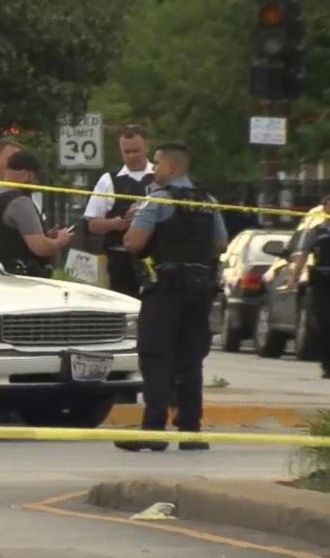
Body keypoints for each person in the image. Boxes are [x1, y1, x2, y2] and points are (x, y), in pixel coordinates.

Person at [115, 142, 227, 452]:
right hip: (199, 289)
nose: (154, 168)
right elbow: (220, 243)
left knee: (156, 357)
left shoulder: (157, 201)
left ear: (173, 168)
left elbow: (134, 242)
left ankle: (153, 430)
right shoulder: (209, 201)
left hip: (165, 289)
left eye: (158, 163)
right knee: (191, 361)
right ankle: (191, 430)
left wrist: (134, 225)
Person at [289, 195, 330, 381]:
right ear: (325, 208)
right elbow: (303, 254)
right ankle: (327, 363)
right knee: (324, 321)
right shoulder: (316, 232)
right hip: (320, 278)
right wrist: (294, 276)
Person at [83, 124, 155, 298]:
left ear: (147, 147)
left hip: (155, 258)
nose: (131, 156)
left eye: (135, 151)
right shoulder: (108, 180)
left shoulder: (160, 177)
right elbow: (92, 224)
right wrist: (115, 224)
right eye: (126, 151)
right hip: (120, 260)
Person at [0, 150, 73, 278]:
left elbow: (3, 236)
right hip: (22, 277)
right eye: (35, 177)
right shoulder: (20, 202)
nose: (36, 182)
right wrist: (60, 241)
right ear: (26, 175)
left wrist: (45, 236)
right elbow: (40, 247)